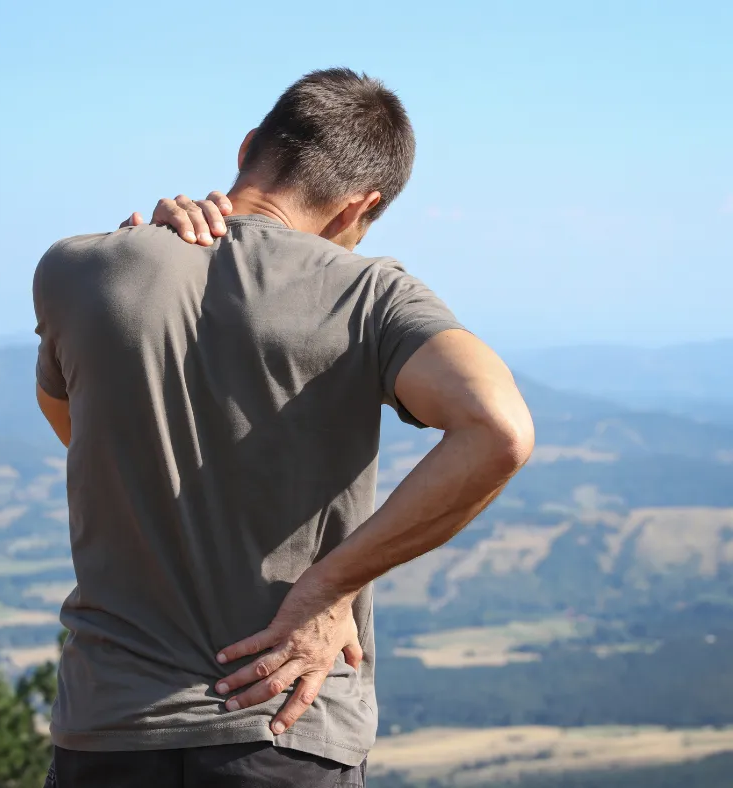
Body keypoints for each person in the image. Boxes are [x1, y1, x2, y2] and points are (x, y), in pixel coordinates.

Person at [35, 67, 534, 788]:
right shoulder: (368, 292)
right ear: (361, 206)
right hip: (285, 725)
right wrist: (330, 586)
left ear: (245, 149)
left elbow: (83, 437)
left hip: (106, 730)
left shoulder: (75, 269)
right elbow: (500, 429)